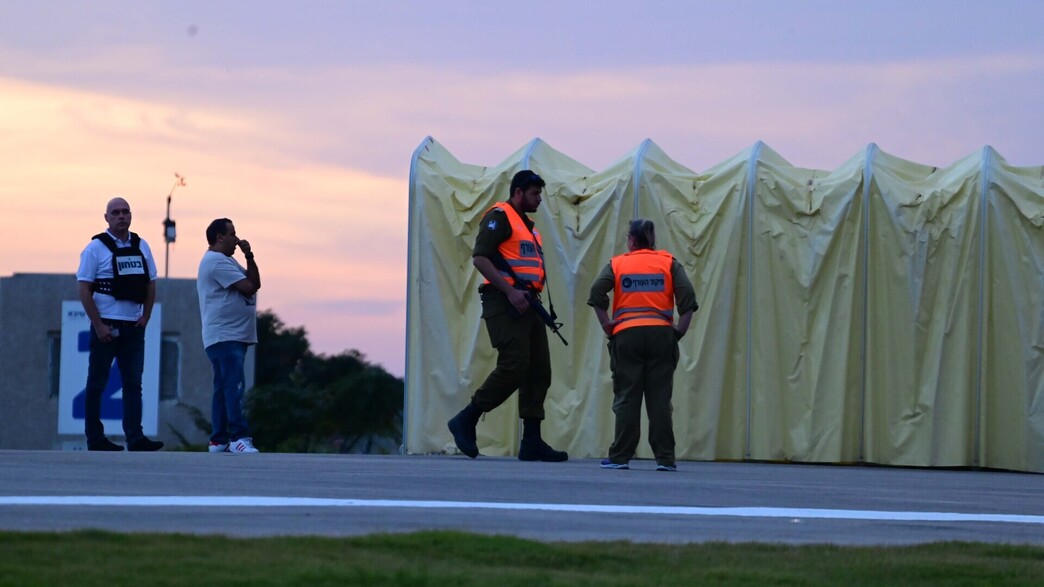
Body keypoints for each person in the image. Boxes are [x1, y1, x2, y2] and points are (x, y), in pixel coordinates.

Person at [447, 170, 568, 462]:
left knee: (539, 370)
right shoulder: (500, 216)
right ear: (518, 192)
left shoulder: (529, 228)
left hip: (528, 303)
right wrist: (510, 292)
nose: (539, 199)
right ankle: (467, 418)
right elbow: (480, 257)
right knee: (515, 364)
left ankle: (532, 441)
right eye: (534, 194)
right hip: (504, 301)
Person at [587, 219, 698, 471]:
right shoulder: (668, 263)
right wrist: (678, 332)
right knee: (659, 399)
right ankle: (665, 459)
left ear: (632, 241)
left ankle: (620, 456)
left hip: (627, 336)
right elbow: (688, 300)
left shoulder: (618, 263)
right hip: (661, 335)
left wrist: (607, 325)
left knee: (627, 396)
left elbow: (596, 293)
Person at [76, 197, 164, 451]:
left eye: (125, 212)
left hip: (133, 328)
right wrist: (99, 325)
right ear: (106, 218)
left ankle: (135, 437)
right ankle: (95, 438)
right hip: (106, 326)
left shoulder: (141, 245)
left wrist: (146, 316)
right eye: (115, 213)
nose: (121, 216)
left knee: (133, 384)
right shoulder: (95, 248)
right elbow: (83, 289)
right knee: (97, 383)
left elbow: (151, 284)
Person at [197, 218, 261, 454]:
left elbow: (256, 282)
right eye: (232, 234)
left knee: (223, 386)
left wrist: (249, 256)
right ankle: (238, 437)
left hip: (233, 335)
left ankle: (218, 439)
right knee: (234, 386)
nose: (237, 238)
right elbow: (248, 287)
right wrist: (247, 258)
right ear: (219, 237)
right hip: (225, 335)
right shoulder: (215, 261)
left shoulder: (228, 260)